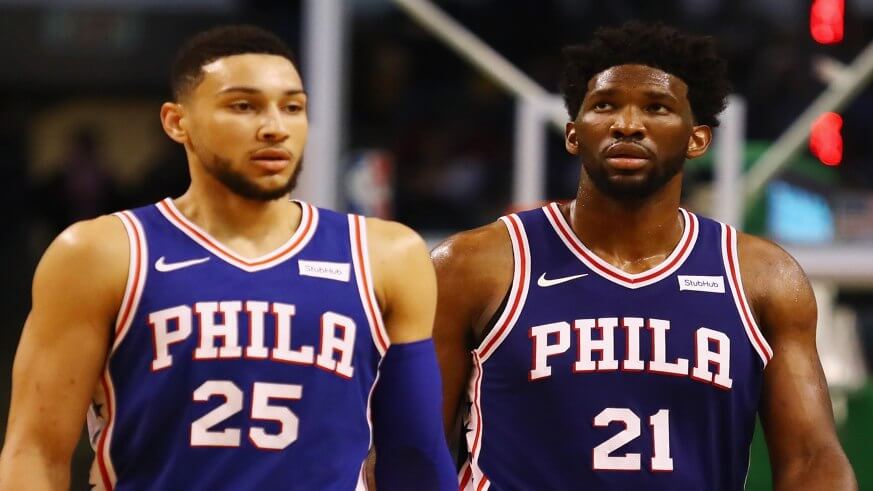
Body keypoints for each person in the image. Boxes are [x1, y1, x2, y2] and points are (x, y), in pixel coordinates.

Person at [0, 25, 455, 491]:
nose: (275, 127)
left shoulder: (385, 255)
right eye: (244, 105)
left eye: (293, 107)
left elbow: (415, 455)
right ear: (177, 122)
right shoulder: (102, 253)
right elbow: (35, 449)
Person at [432, 22, 857, 490]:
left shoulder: (761, 277)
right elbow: (410, 447)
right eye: (605, 105)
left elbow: (813, 458)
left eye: (656, 108)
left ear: (697, 139)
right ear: (574, 134)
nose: (627, 124)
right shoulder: (476, 264)